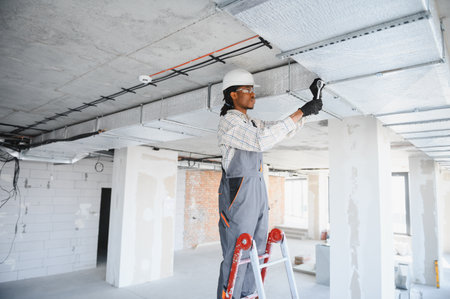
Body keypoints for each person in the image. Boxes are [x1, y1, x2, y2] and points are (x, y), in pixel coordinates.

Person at [216, 68, 324, 298]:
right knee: (239, 248)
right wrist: (300, 111)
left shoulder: (251, 122)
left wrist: (306, 111)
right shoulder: (229, 123)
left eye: (253, 90)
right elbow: (261, 141)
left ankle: (248, 294)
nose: (253, 94)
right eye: (247, 90)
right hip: (238, 193)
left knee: (256, 245)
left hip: (256, 189)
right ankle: (230, 295)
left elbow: (278, 131)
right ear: (232, 94)